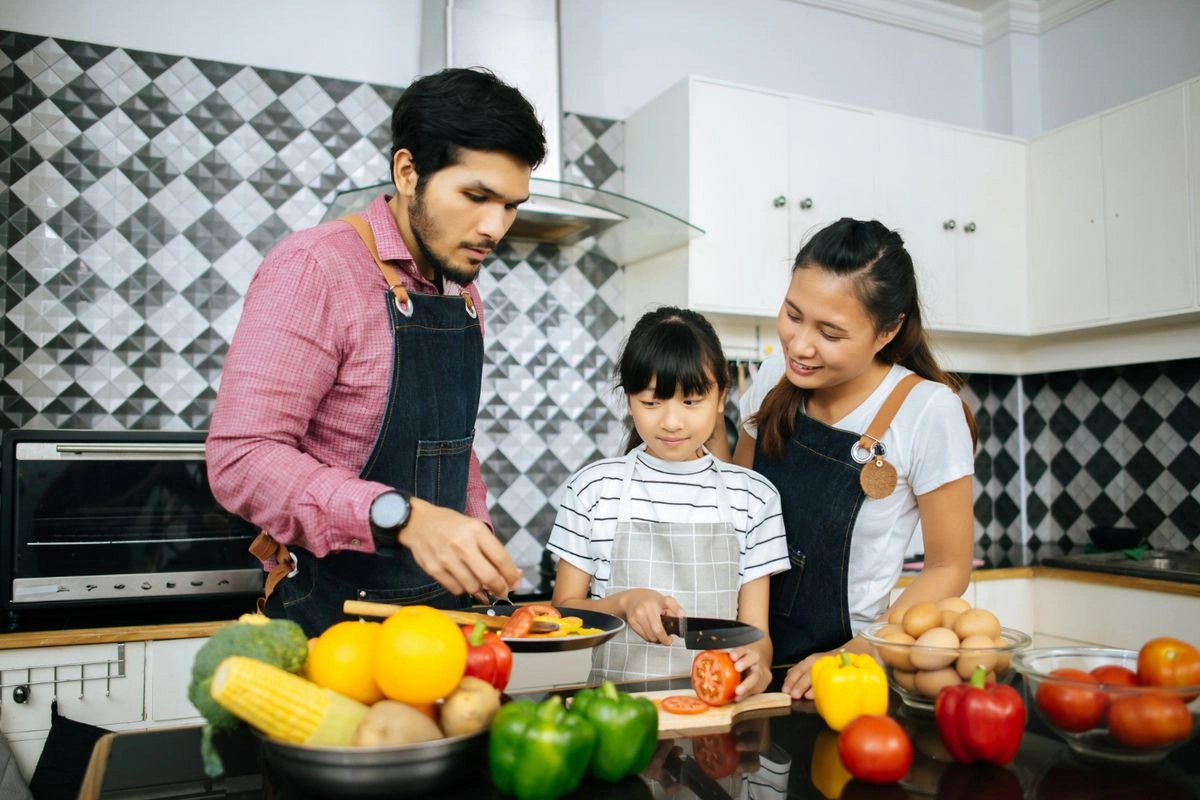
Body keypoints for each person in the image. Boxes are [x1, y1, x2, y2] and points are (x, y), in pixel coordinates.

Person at [206, 67, 547, 637]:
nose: (495, 227)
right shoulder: (315, 268)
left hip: (438, 624)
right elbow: (240, 459)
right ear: (408, 171)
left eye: (511, 205)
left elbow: (448, 447)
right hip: (330, 624)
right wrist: (403, 517)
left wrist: (475, 533)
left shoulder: (463, 293)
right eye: (476, 196)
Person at [732, 218, 978, 699]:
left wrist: (862, 650)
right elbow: (736, 508)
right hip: (742, 656)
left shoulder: (928, 409)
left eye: (830, 332)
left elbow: (950, 567)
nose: (800, 346)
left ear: (888, 331)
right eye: (793, 314)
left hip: (843, 673)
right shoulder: (771, 379)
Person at [548, 307, 789, 698]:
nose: (672, 422)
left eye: (692, 401)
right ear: (629, 400)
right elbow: (565, 613)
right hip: (615, 712)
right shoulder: (593, 488)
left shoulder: (754, 497)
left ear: (721, 397)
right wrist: (625, 602)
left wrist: (757, 664)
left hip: (715, 709)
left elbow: (755, 633)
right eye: (652, 403)